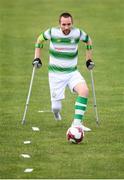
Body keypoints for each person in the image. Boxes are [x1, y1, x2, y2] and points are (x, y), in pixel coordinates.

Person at [33, 12, 94, 131]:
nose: (66, 27)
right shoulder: (52, 32)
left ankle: (77, 124)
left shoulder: (78, 33)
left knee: (84, 91)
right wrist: (37, 57)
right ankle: (56, 113)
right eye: (64, 24)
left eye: (69, 24)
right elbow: (39, 40)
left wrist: (89, 60)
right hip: (55, 74)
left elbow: (88, 41)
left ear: (72, 23)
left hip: (72, 72)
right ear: (59, 24)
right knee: (56, 107)